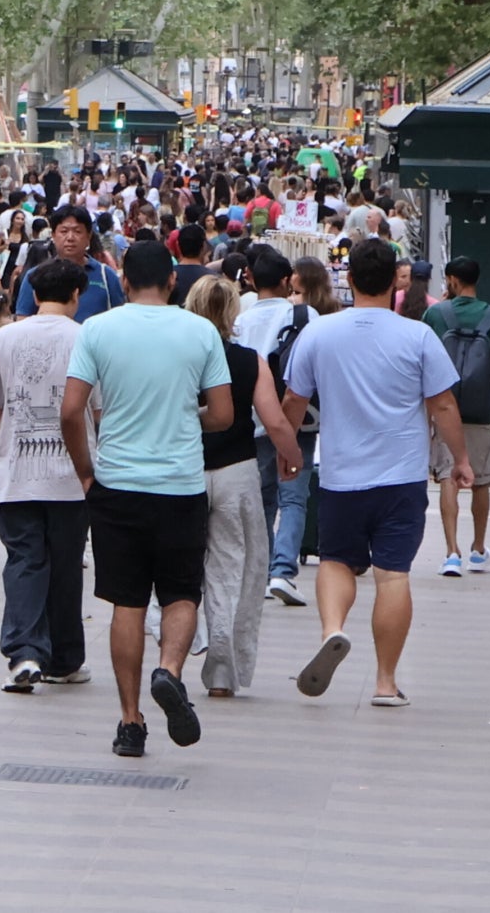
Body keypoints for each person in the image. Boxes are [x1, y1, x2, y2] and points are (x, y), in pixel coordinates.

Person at [279, 236, 470, 708]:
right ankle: (385, 681)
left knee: (336, 562)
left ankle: (332, 630)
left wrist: (288, 450)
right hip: (401, 477)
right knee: (392, 576)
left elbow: (293, 401)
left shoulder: (319, 333)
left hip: (341, 472)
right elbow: (443, 403)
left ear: (348, 279)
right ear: (394, 282)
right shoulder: (417, 335)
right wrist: (461, 460)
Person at [60, 239, 231, 757]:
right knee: (181, 592)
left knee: (127, 602)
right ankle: (170, 670)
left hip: (116, 485)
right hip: (180, 485)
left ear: (124, 281)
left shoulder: (98, 329)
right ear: (173, 282)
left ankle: (131, 722)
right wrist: (185, 416)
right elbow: (222, 414)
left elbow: (71, 411)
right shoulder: (200, 331)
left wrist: (86, 472)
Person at [0, 256, 91, 690]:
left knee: (24, 559)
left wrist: (1, 440)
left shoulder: (7, 338)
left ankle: (24, 653)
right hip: (73, 474)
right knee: (66, 564)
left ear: (35, 295)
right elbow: (96, 408)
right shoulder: (86, 337)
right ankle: (64, 658)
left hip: (18, 473)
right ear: (76, 295)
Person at [186, 269, 298, 699]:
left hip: (185, 470)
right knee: (236, 570)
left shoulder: (181, 356)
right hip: (237, 472)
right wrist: (293, 455)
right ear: (234, 311)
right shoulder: (251, 360)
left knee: (181, 565)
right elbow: (273, 420)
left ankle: (179, 642)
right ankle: (222, 669)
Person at [420, 256, 490, 577]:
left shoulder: (435, 314)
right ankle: (478, 548)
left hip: (443, 405)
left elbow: (421, 361)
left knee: (449, 475)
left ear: (451, 280)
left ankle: (451, 553)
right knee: (480, 479)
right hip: (480, 409)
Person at [234, 244, 317, 605]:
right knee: (295, 496)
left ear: (252, 278)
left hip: (252, 420)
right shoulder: (303, 314)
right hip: (297, 419)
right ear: (286, 281)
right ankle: (283, 571)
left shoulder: (240, 317)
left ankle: (264, 568)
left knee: (264, 497)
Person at [13, 206, 123, 319]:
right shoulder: (36, 276)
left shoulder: (106, 276)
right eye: (64, 231)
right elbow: (23, 319)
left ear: (89, 236)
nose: (70, 238)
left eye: (77, 231)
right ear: (53, 236)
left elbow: (118, 319)